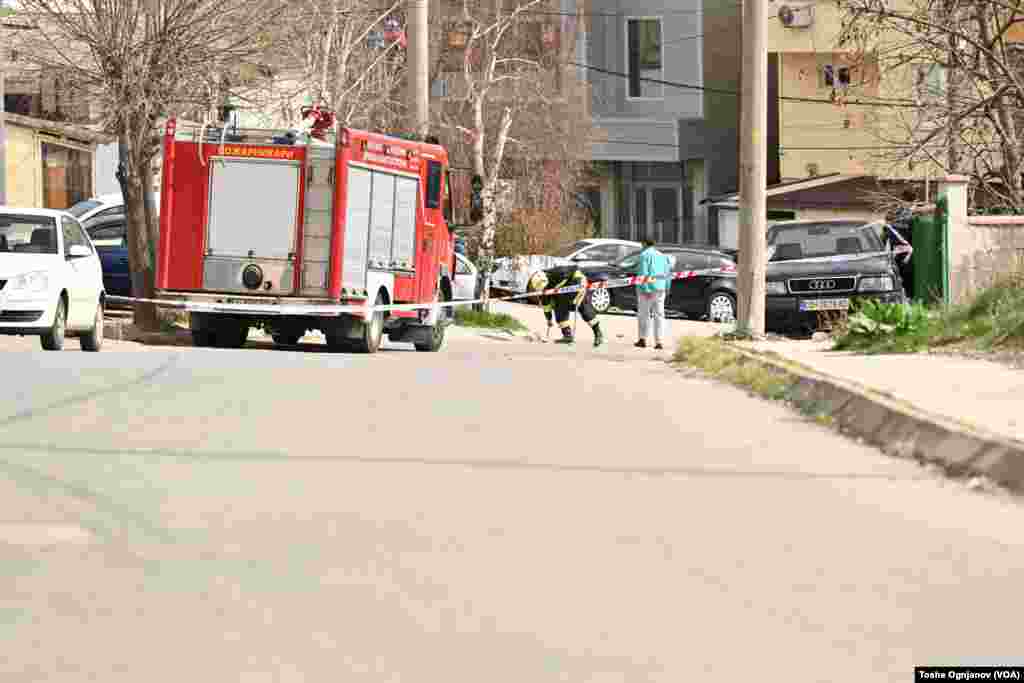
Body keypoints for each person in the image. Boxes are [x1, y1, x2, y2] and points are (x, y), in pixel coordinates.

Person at [527, 265, 605, 347]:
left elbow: (575, 269)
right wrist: (549, 319)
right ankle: (568, 335)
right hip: (563, 293)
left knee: (583, 308)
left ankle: (598, 334)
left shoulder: (558, 271)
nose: (544, 289)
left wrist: (577, 285)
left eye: (545, 287)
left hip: (576, 283)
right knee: (560, 309)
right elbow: (546, 305)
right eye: (542, 289)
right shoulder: (544, 291)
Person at [634, 237, 672, 350]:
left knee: (644, 315)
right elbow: (667, 273)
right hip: (660, 289)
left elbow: (643, 273)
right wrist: (667, 287)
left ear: (645, 244)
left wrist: (645, 289)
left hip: (647, 290)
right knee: (659, 315)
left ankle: (642, 339)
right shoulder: (662, 256)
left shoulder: (644, 255)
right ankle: (659, 342)